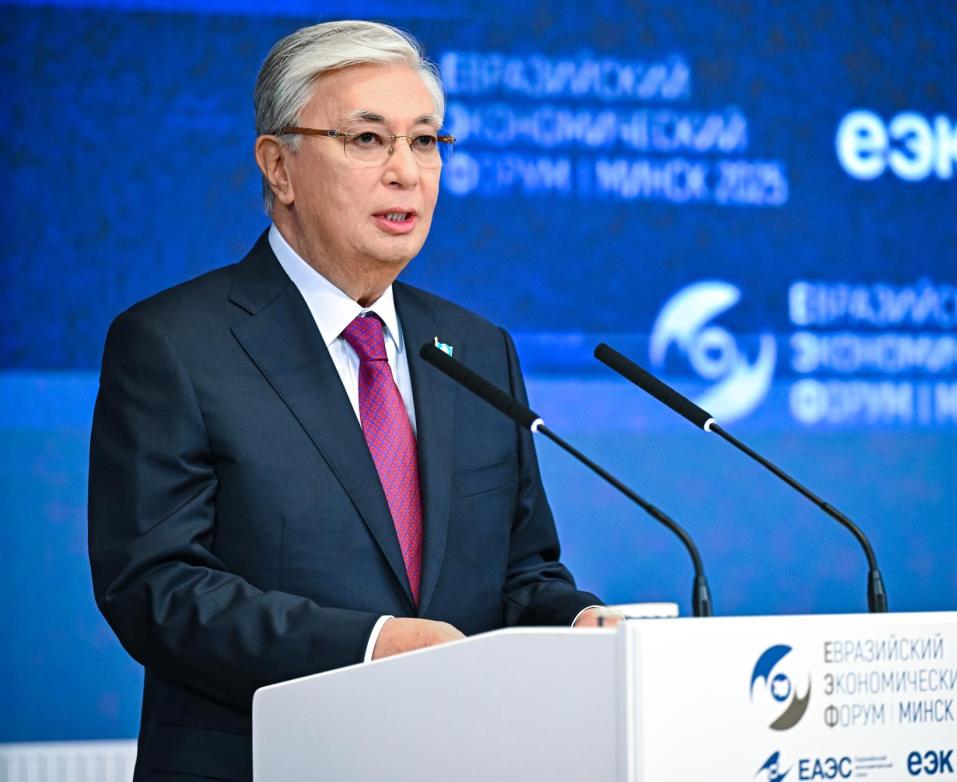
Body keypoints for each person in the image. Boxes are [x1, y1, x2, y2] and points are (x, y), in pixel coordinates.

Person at [88, 20, 612, 782]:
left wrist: (574, 620)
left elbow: (521, 572)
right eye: (368, 140)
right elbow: (157, 589)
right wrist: (372, 647)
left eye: (426, 141)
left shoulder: (475, 346)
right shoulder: (174, 345)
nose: (407, 171)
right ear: (280, 167)